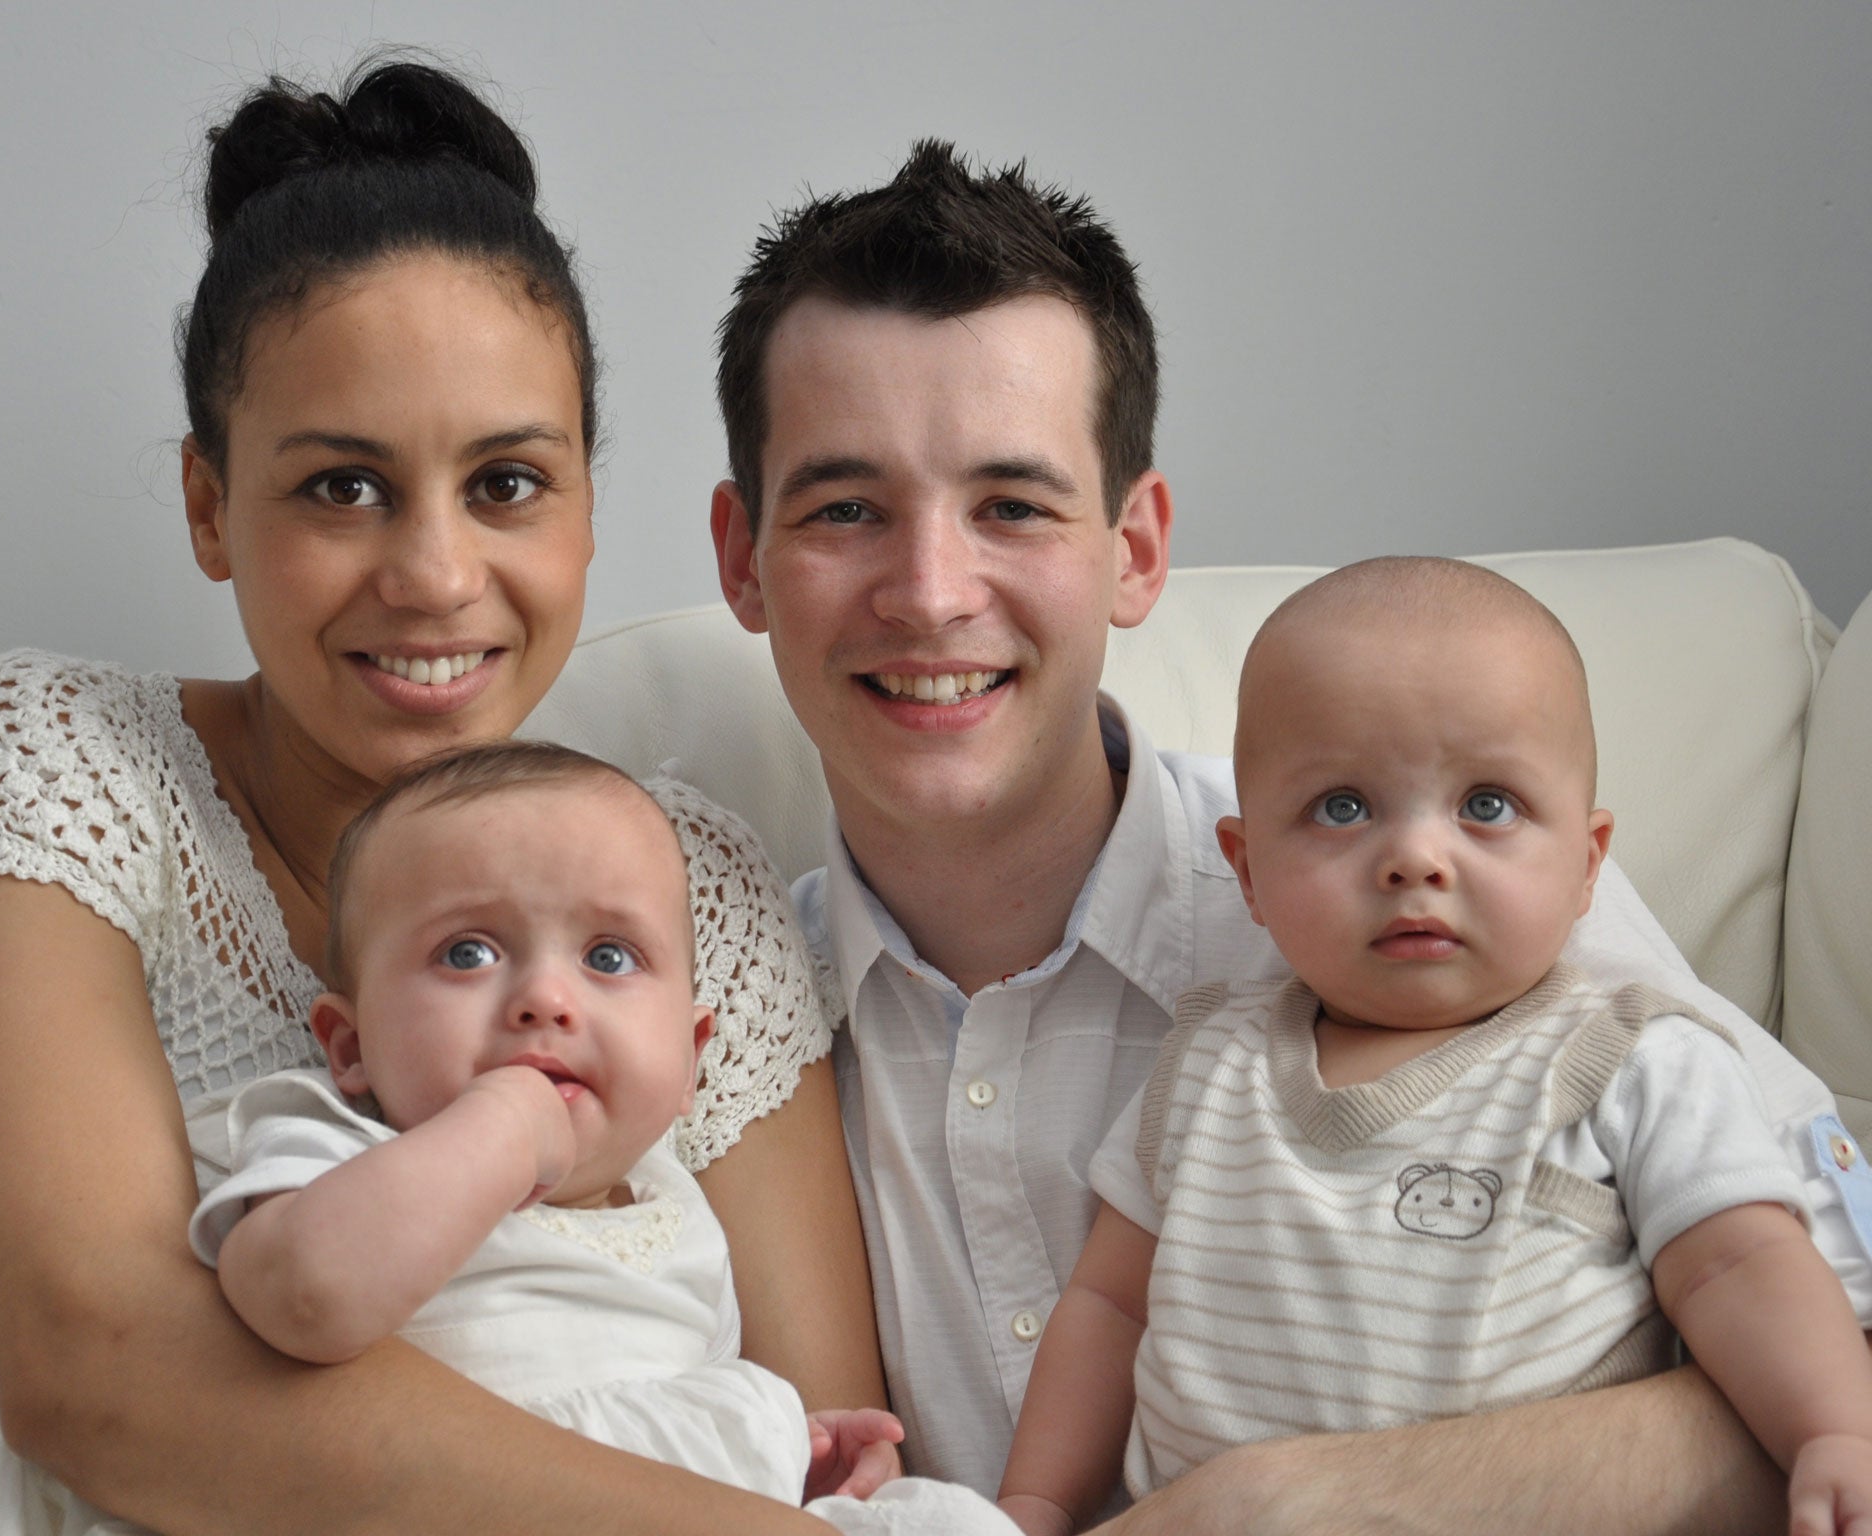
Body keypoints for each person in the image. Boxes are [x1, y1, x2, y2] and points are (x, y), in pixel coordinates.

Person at [708, 142, 1872, 1530]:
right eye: (847, 510)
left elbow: (1835, 1325)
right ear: (742, 561)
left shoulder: (1422, 878)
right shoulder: (722, 1028)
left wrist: (1309, 1504)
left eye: (1012, 505)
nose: (931, 590)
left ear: (1136, 549)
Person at [0, 59, 882, 1536]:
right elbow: (102, 1377)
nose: (436, 577)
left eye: (508, 483)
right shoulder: (54, 768)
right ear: (210, 505)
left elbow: (821, 1426)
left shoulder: (688, 885)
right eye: (342, 488)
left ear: (586, 503)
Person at [994, 558, 1872, 1536]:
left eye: (1485, 805)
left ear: (1585, 866)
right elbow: (1110, 1308)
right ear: (1245, 869)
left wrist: (1834, 1436)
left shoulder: (1629, 1061)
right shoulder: (1206, 1060)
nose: (1414, 857)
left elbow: (1738, 1267)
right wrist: (1029, 1507)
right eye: (1340, 807)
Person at [0, 742, 1016, 1536]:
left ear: (691, 1059)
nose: (544, 998)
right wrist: (503, 1131)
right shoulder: (328, 1141)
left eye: (607, 958)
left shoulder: (673, 1202)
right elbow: (304, 1293)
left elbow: (666, 1389)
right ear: (349, 1045)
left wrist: (787, 1446)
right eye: (466, 954)